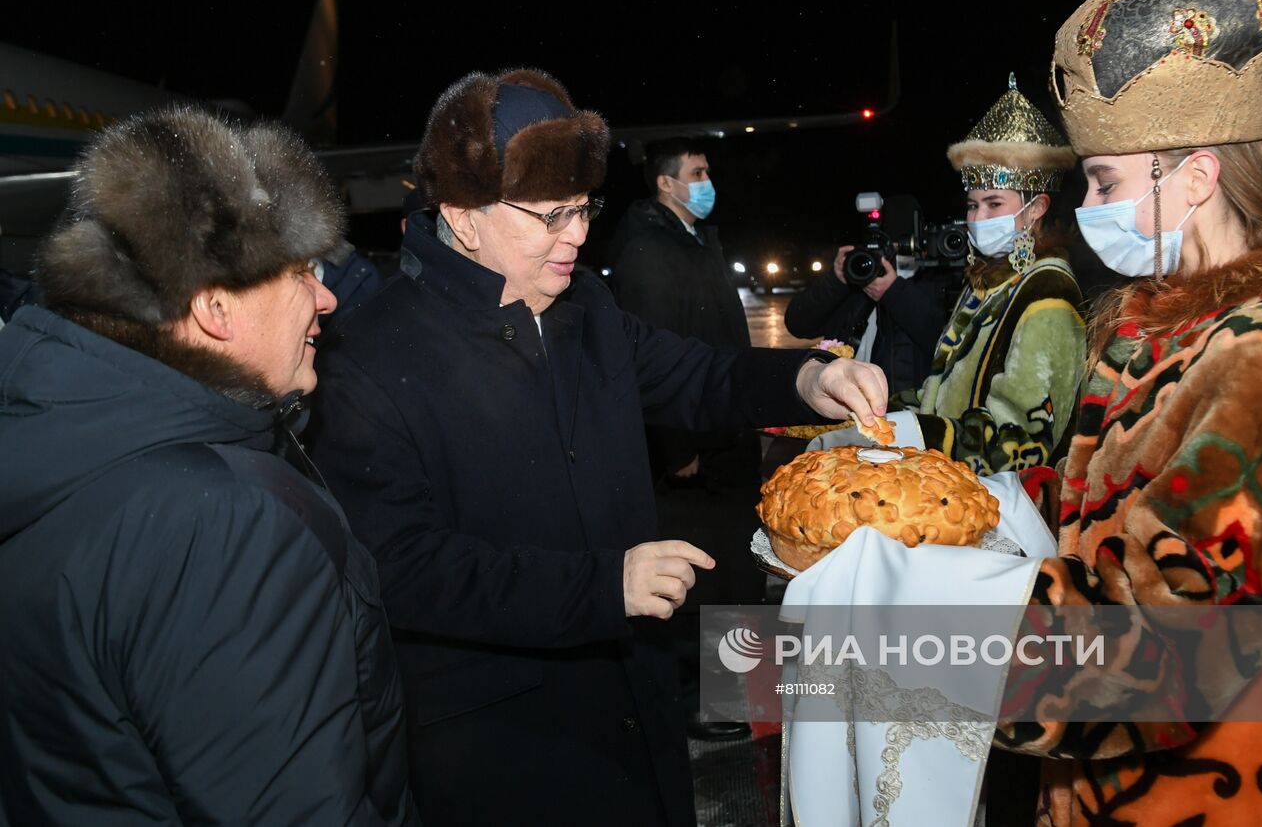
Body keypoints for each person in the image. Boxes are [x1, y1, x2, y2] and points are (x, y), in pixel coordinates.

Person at [308, 68, 888, 826]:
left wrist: (807, 377)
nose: (577, 234)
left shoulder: (586, 307)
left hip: (633, 702)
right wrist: (602, 587)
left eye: (583, 210)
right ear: (463, 214)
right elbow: (405, 568)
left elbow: (696, 375)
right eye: (550, 216)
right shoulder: (371, 358)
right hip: (508, 745)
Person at [994, 0, 1262, 824]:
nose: (1087, 208)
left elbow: (1175, 645)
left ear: (1195, 176)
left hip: (1222, 791)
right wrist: (989, 511)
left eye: (1106, 182)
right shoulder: (1148, 330)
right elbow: (1109, 508)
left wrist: (936, 628)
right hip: (1106, 786)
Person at [0, 107, 415, 825]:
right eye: (299, 273)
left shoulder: (61, 441)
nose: (327, 297)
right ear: (215, 306)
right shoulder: (222, 526)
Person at [608, 137, 761, 740]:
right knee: (705, 578)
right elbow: (654, 356)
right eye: (696, 173)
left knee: (730, 568)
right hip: (695, 446)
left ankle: (728, 696)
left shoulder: (694, 241)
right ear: (666, 185)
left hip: (721, 430)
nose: (707, 181)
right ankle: (703, 703)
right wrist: (678, 449)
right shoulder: (650, 253)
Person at [910, 73, 1086, 474]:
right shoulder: (990, 280)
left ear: (1037, 208)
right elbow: (938, 396)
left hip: (1003, 509)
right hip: (947, 485)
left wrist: (916, 435)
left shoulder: (1048, 293)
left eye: (993, 204)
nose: (977, 218)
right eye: (972, 206)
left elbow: (1022, 439)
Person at [784, 215, 949, 396]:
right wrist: (835, 280)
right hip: (844, 404)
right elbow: (797, 323)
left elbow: (946, 343)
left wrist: (895, 293)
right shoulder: (855, 283)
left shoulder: (936, 283)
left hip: (904, 411)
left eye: (893, 249)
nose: (883, 258)